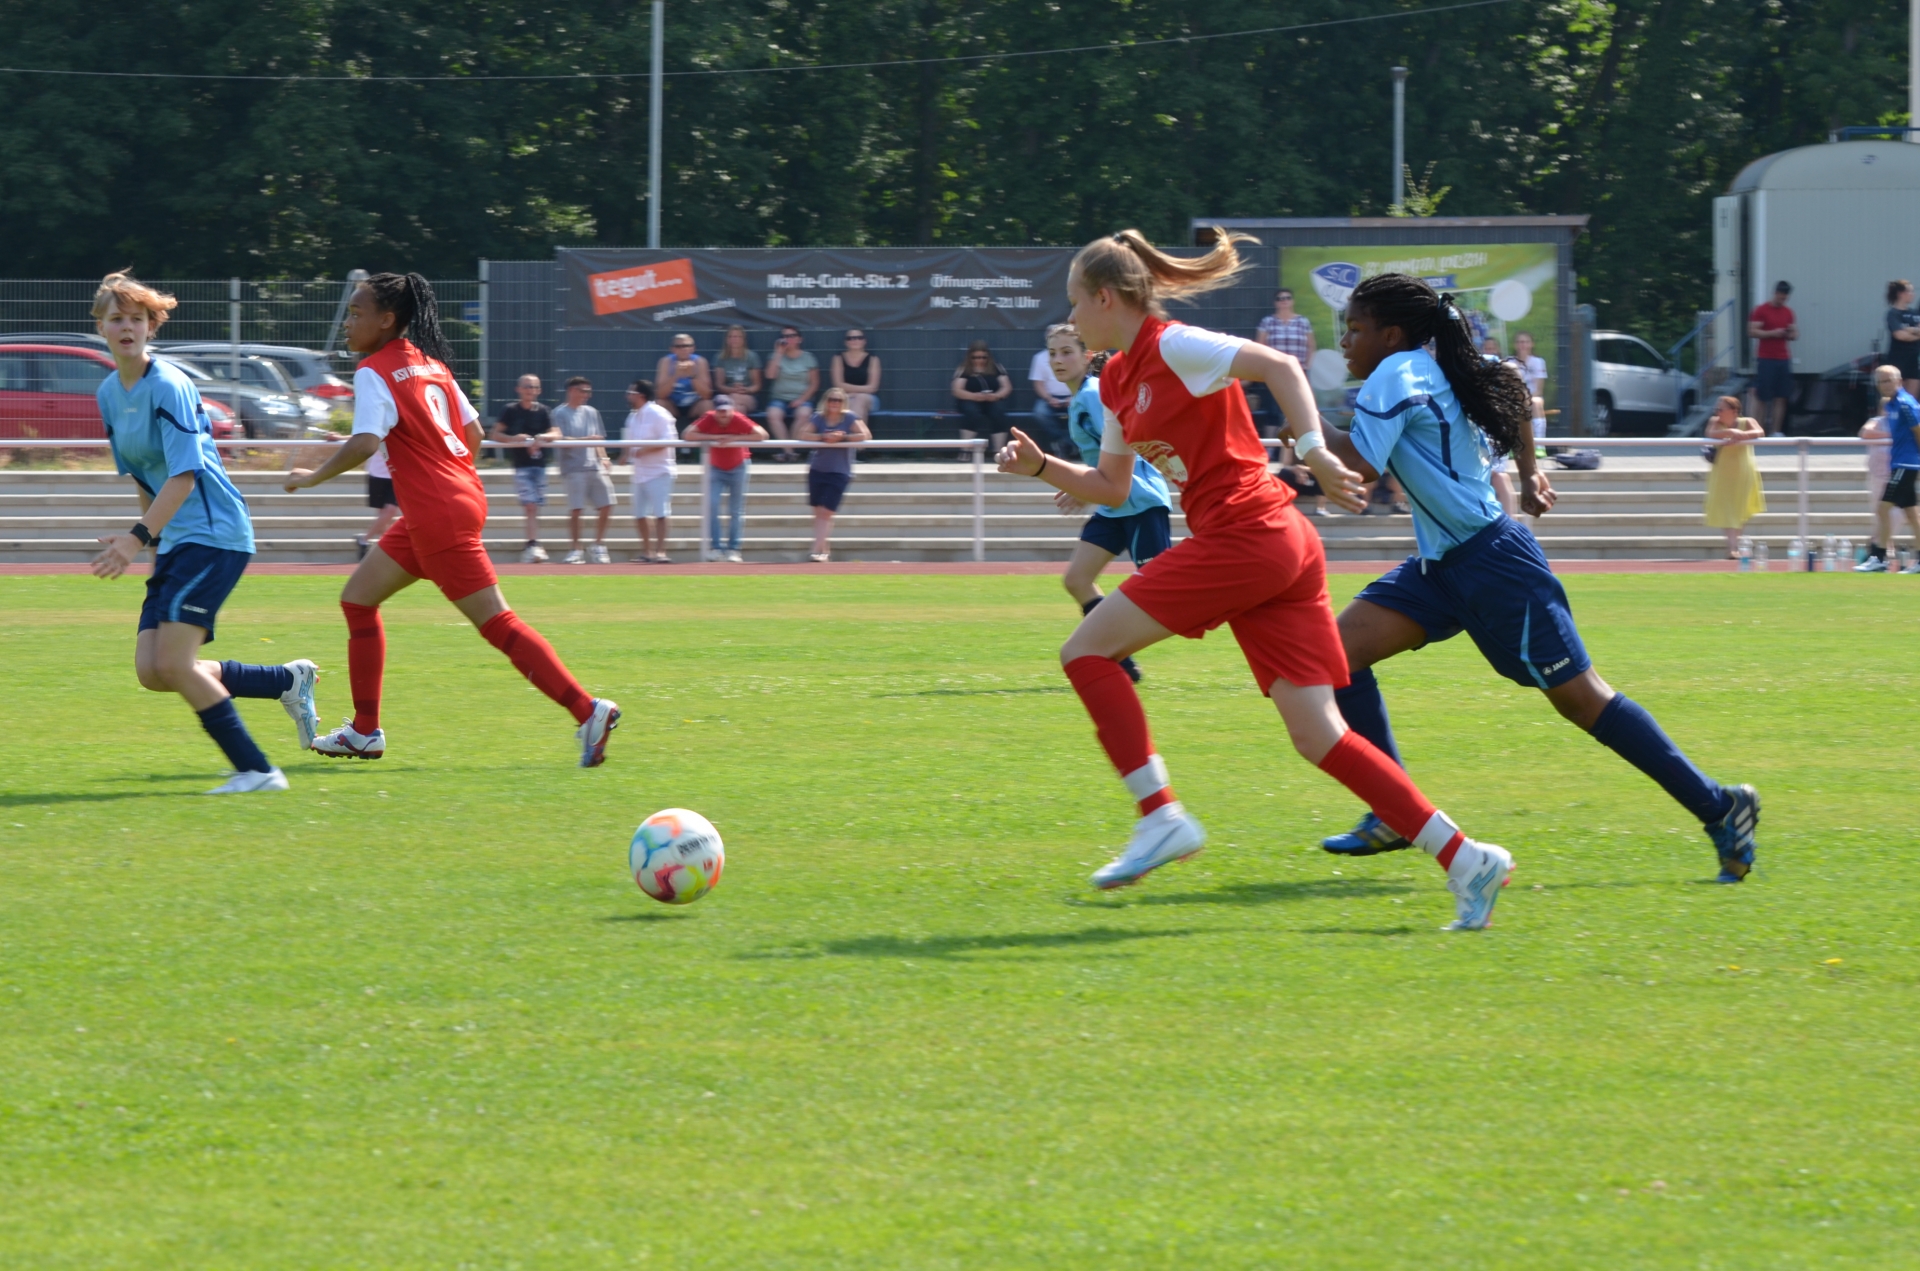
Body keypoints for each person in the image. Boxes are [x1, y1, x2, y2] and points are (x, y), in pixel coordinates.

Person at [996, 228, 1513, 930]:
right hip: (1274, 545)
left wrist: (1315, 453)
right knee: (1319, 734)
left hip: (1248, 536)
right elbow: (1112, 486)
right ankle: (1466, 857)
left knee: (1085, 650)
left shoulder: (1175, 345)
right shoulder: (1115, 381)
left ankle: (1159, 815)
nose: (1070, 318)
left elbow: (1279, 366)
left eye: (1074, 303)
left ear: (1106, 299)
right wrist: (1040, 468)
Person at [1306, 272, 1759, 884]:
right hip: (1442, 567)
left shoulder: (1397, 371)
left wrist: (1298, 415)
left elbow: (1358, 465)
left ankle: (1720, 806)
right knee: (1337, 656)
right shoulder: (1427, 366)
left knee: (1583, 701)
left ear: (1390, 335)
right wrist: (1526, 471)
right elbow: (1514, 388)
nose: (1345, 343)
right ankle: (1395, 811)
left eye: (1355, 329)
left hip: (1491, 563)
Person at [284, 272, 620, 767]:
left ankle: (587, 709)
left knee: (497, 622)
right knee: (357, 599)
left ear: (387, 320)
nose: (349, 323)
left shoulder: (374, 369)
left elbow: (365, 442)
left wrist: (312, 476)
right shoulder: (432, 365)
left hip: (436, 512)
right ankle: (364, 731)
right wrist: (448, 478)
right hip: (453, 500)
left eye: (357, 314)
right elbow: (474, 432)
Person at [87, 271, 320, 794]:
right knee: (154, 671)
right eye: (117, 318)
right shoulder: (108, 394)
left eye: (137, 319)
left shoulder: (168, 385)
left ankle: (258, 772)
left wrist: (135, 539)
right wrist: (153, 549)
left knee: (175, 662)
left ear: (152, 326)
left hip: (215, 534)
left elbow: (184, 476)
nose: (127, 327)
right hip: (175, 539)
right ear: (100, 327)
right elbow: (145, 478)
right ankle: (285, 680)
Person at [1049, 323, 1173, 684]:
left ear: (1087, 355)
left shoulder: (1091, 394)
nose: (1058, 360)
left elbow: (1125, 446)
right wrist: (1087, 488)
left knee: (1165, 596)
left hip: (1140, 501)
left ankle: (1237, 600)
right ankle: (1117, 658)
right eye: (1053, 353)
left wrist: (1087, 488)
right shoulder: (1082, 397)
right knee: (1077, 580)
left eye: (1067, 352)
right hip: (1113, 506)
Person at [684, 394, 767, 562]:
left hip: (738, 466)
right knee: (712, 505)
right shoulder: (708, 418)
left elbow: (762, 434)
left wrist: (736, 438)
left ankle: (734, 549)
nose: (724, 415)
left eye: (727, 411)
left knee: (736, 510)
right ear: (715, 411)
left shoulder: (738, 417)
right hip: (716, 467)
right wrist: (713, 437)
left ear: (732, 410)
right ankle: (716, 547)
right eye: (720, 411)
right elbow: (687, 434)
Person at [1856, 364, 1920, 573]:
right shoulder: (1891, 405)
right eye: (1881, 382)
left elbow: (1918, 431)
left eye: (1888, 380)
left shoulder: (1905, 403)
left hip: (1906, 463)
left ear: (1899, 381)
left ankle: (1879, 557)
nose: (1884, 385)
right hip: (1900, 462)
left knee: (1883, 508)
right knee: (1912, 513)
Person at [797, 387, 870, 562]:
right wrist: (824, 437)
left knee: (826, 512)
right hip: (818, 469)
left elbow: (865, 435)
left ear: (843, 402)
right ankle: (824, 550)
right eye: (831, 399)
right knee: (819, 512)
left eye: (838, 400)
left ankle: (816, 550)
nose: (834, 403)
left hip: (839, 471)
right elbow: (803, 434)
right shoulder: (819, 417)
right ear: (826, 401)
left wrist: (842, 438)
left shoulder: (850, 417)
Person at [491, 375, 556, 563]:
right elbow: (495, 433)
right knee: (530, 505)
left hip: (540, 465)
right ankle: (532, 544)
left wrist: (542, 437)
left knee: (535, 506)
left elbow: (556, 432)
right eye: (527, 386)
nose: (530, 390)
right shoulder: (510, 410)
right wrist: (513, 439)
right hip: (522, 465)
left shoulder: (544, 411)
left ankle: (533, 544)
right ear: (518, 389)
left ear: (539, 390)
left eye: (534, 387)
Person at [552, 376, 613, 564]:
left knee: (607, 503)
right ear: (572, 391)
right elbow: (560, 439)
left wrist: (604, 457)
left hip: (594, 466)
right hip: (573, 468)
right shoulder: (559, 413)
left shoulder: (592, 412)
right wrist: (587, 439)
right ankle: (576, 549)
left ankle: (598, 545)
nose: (587, 395)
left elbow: (598, 439)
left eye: (588, 391)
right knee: (577, 509)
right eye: (583, 391)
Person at [1702, 395, 1766, 558]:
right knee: (1727, 508)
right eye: (1716, 409)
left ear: (1734, 411)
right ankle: (1732, 547)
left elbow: (1760, 432)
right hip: (1722, 472)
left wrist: (1742, 435)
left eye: (1721, 409)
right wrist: (1731, 432)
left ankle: (1734, 546)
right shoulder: (1715, 422)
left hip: (1743, 471)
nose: (1717, 412)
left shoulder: (1748, 421)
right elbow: (1711, 433)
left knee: (1739, 508)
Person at [624, 378, 677, 563]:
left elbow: (669, 440)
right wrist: (624, 456)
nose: (627, 396)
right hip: (640, 472)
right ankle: (648, 552)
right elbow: (629, 443)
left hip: (659, 471)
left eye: (630, 393)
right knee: (639, 513)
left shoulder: (659, 413)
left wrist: (643, 450)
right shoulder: (632, 417)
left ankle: (661, 551)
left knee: (661, 512)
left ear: (641, 395)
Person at [1253, 288, 1315, 438]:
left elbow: (1311, 346)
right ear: (1275, 303)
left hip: (1298, 371)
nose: (1284, 301)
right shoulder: (1267, 322)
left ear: (1292, 301)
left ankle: (1297, 445)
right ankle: (1271, 447)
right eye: (1280, 299)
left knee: (1298, 408)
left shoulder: (1303, 321)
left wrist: (1307, 366)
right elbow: (1260, 346)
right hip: (1274, 372)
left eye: (1287, 298)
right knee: (1273, 409)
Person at [1747, 280, 1797, 435]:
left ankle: (1776, 431)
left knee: (1781, 397)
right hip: (1766, 358)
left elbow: (1795, 334)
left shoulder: (1788, 312)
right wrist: (1772, 333)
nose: (1783, 300)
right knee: (1762, 396)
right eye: (1781, 297)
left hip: (1783, 358)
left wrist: (1790, 333)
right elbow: (1752, 331)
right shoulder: (1761, 310)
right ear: (1775, 293)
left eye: (1785, 298)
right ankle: (1758, 430)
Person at [763, 327, 818, 458]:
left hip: (802, 399)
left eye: (792, 336)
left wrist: (801, 400)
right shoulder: (775, 356)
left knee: (804, 415)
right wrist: (778, 353)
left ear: (799, 339)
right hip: (779, 399)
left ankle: (788, 451)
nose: (788, 339)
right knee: (773, 415)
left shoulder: (808, 357)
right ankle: (789, 452)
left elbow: (814, 383)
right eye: (785, 336)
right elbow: (770, 375)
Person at [953, 341, 1013, 455]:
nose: (979, 360)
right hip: (969, 400)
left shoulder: (996, 367)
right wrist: (974, 396)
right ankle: (965, 450)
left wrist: (996, 396)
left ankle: (998, 451)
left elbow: (1006, 386)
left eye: (983, 357)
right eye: (975, 357)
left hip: (992, 399)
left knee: (999, 412)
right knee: (971, 413)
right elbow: (957, 390)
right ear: (970, 357)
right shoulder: (964, 369)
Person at [654, 334, 713, 425]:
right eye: (679, 346)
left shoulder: (700, 362)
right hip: (673, 405)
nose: (683, 349)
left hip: (694, 406)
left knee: (707, 404)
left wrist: (692, 376)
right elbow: (660, 395)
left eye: (687, 346)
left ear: (693, 348)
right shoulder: (666, 362)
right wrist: (675, 376)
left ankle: (706, 433)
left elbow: (707, 395)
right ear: (673, 349)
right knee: (659, 404)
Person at [1027, 340, 1072, 454]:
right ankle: (1061, 441)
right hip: (1049, 397)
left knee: (1084, 411)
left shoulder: (1074, 356)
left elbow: (1083, 379)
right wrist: (1049, 398)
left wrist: (1074, 397)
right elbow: (1038, 384)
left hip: (1074, 396)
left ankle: (1069, 443)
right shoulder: (1039, 357)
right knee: (1040, 413)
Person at [357, 443, 400, 561]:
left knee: (390, 511)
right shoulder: (380, 432)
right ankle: (385, 551)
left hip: (397, 475)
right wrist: (339, 437)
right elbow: (364, 437)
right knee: (383, 515)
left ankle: (364, 539)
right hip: (377, 474)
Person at [830, 328, 881, 422]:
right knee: (848, 402)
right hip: (845, 397)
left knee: (860, 399)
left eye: (859, 337)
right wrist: (861, 390)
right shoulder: (838, 359)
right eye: (850, 338)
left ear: (864, 341)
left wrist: (854, 393)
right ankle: (859, 430)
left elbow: (873, 388)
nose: (855, 340)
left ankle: (854, 431)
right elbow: (838, 385)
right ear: (846, 342)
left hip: (868, 399)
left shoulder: (873, 359)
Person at [711, 324, 762, 415]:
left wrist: (746, 390)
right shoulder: (720, 358)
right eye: (731, 336)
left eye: (738, 336)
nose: (734, 339)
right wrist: (732, 389)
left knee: (733, 401)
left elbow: (757, 385)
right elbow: (719, 385)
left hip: (748, 397)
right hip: (727, 395)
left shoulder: (752, 357)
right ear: (727, 340)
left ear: (743, 339)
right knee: (739, 408)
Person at [1883, 281, 1920, 397]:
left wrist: (1908, 329)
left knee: (1912, 400)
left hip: (1914, 361)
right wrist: (1916, 332)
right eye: (1910, 291)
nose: (1913, 294)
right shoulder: (1893, 313)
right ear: (1900, 294)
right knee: (1896, 398)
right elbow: (1900, 335)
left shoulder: (1916, 313)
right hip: (1898, 361)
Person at [1513, 331, 1547, 400]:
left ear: (1532, 344)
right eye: (1520, 342)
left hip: (1532, 399)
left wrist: (1525, 400)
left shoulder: (1538, 362)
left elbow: (1539, 391)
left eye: (1527, 342)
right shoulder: (1508, 362)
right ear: (1515, 345)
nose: (1523, 345)